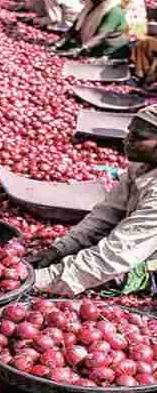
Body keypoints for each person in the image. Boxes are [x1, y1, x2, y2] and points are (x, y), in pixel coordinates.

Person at [35, 105, 157, 296]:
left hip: (147, 253)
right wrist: (61, 248)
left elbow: (117, 252)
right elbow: (108, 214)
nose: (126, 140)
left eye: (138, 137)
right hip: (138, 238)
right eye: (129, 133)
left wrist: (43, 280)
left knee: (113, 278)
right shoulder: (141, 166)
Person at [53, 0, 129, 58]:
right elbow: (74, 29)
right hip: (92, 47)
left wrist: (81, 49)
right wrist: (57, 44)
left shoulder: (114, 11)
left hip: (110, 51)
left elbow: (101, 36)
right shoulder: (89, 8)